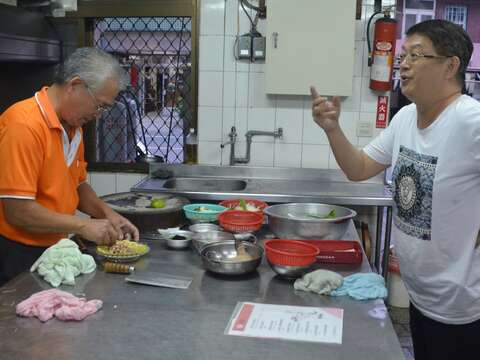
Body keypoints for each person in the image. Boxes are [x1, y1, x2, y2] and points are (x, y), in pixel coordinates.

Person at [310, 20, 479, 360]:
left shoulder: (469, 119)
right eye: (403, 55)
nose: (403, 64)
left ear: (451, 66)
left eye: (416, 55)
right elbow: (358, 168)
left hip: (463, 308)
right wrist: (331, 129)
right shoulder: (404, 118)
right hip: (423, 296)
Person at [0, 47, 139, 286]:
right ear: (74, 85)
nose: (99, 115)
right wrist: (83, 225)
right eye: (99, 105)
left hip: (54, 248)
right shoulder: (24, 126)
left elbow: (77, 184)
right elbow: (18, 211)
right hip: (18, 254)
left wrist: (107, 214)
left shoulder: (73, 127)